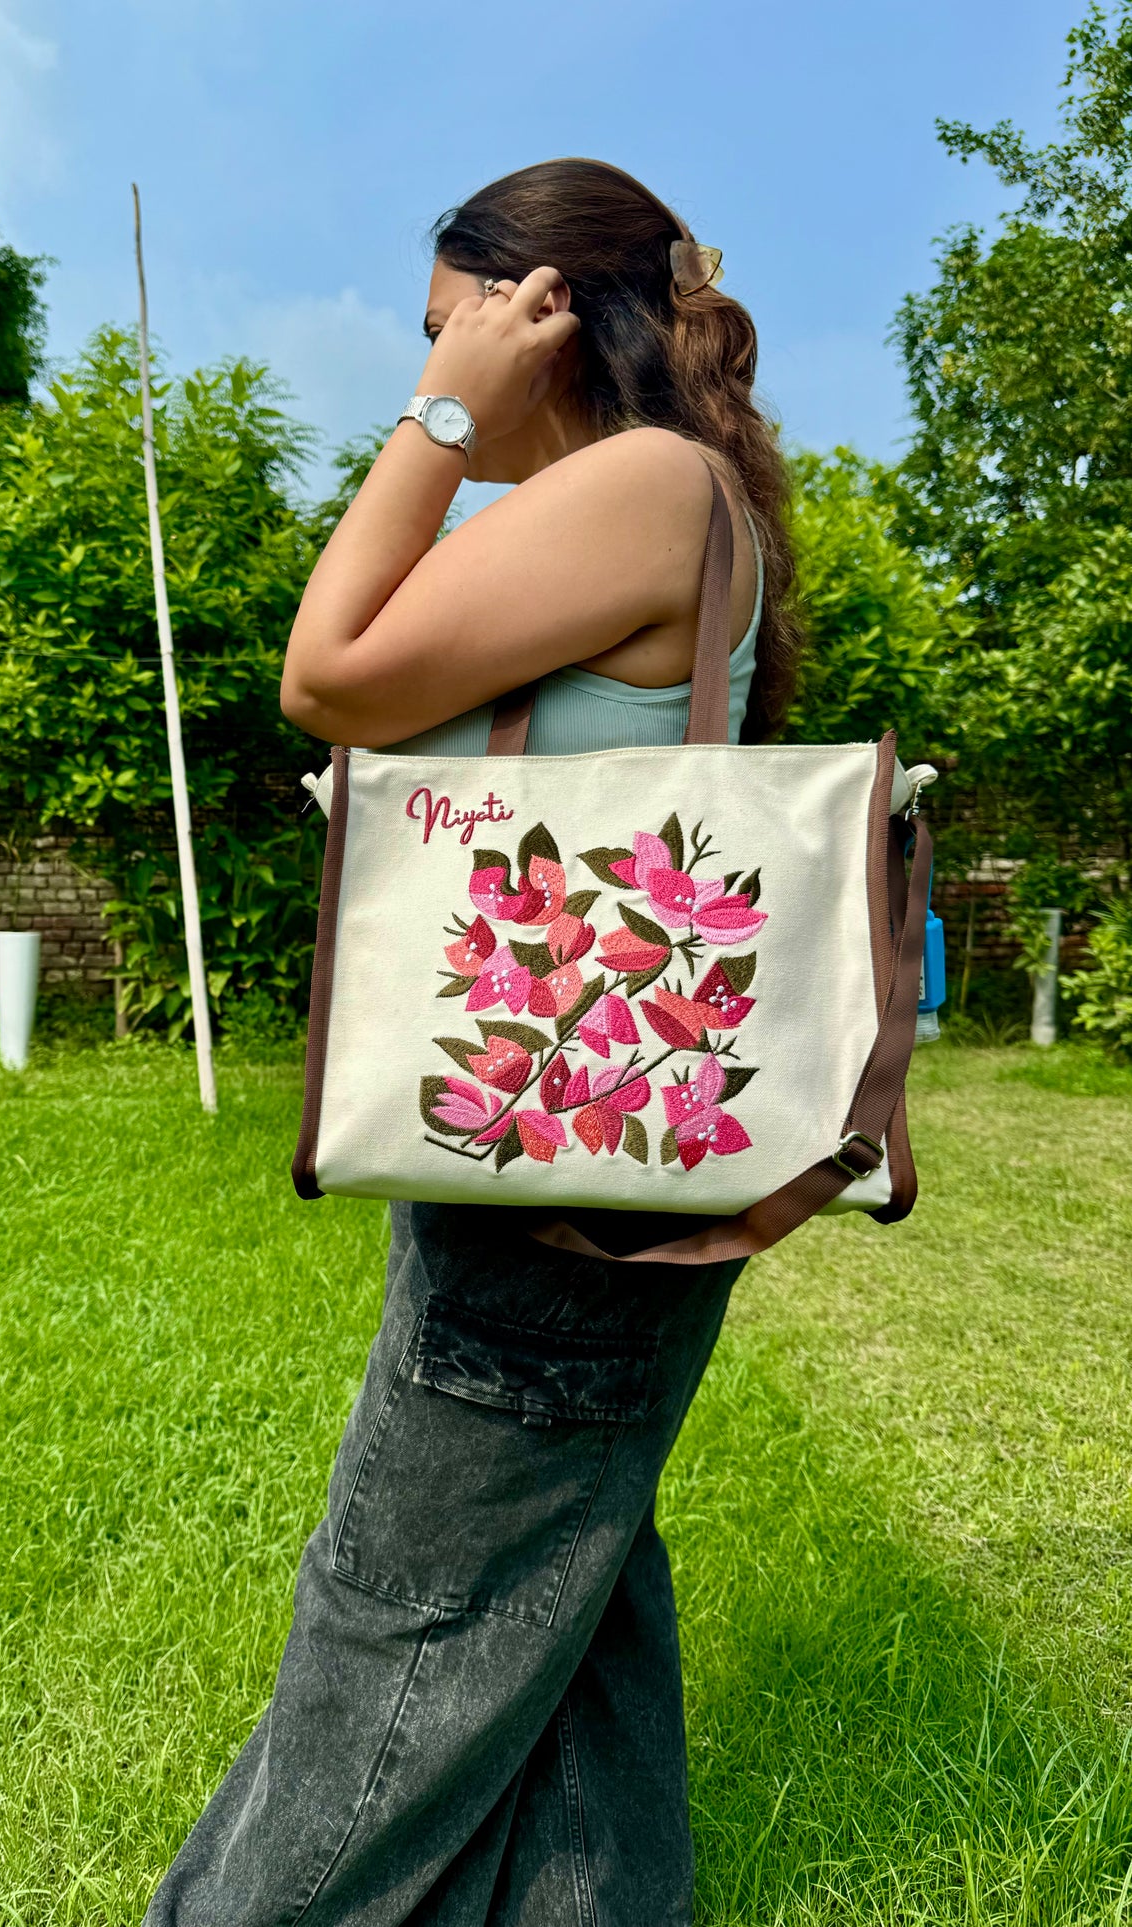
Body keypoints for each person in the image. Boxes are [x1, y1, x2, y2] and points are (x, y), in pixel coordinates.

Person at [145, 157, 802, 1927]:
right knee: (570, 1631)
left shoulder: (644, 483)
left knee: (391, 1644)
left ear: (546, 321)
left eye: (449, 329)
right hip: (609, 1151)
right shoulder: (689, 494)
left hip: (539, 1173)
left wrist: (446, 419)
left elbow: (329, 667)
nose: (428, 370)